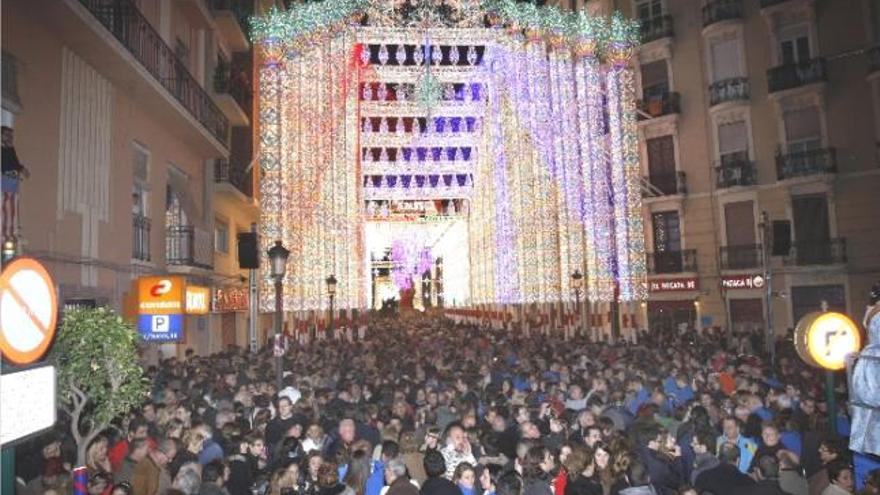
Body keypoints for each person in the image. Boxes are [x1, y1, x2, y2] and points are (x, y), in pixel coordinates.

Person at [1, 125, 29, 241]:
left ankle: (12, 232)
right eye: (7, 135)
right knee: (5, 203)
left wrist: (22, 169)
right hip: (4, 178)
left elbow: (15, 162)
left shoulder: (10, 149)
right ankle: (3, 233)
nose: (9, 138)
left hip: (13, 178)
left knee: (12, 205)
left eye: (10, 136)